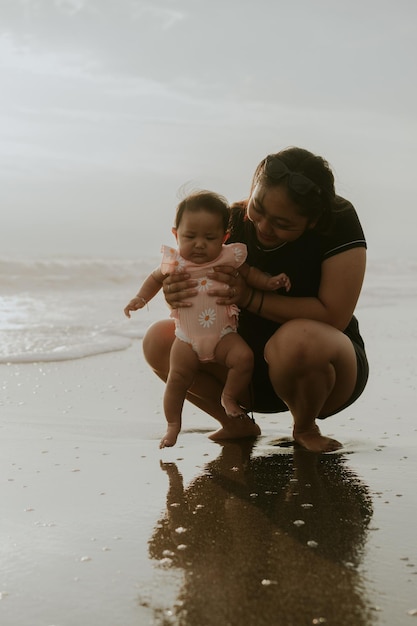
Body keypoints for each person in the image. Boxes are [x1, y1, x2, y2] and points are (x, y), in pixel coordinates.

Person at [142, 147, 369, 454]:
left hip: (322, 372)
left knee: (296, 340)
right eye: (258, 208)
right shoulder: (229, 222)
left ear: (313, 220)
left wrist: (250, 297)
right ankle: (235, 422)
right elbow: (190, 276)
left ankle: (305, 426)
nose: (263, 227)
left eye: (282, 223)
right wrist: (173, 291)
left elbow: (334, 317)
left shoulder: (338, 220)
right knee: (158, 340)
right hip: (243, 369)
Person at [124, 190, 290, 448]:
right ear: (176, 234)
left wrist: (269, 282)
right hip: (187, 339)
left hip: (224, 336)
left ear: (224, 237)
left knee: (243, 359)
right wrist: (140, 298)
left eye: (209, 237)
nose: (199, 244)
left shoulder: (229, 256)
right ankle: (172, 425)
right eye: (190, 237)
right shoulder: (175, 262)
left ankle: (229, 398)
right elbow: (155, 279)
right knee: (177, 379)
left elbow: (251, 275)